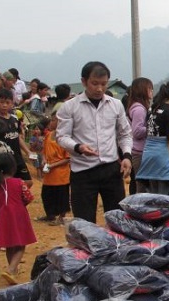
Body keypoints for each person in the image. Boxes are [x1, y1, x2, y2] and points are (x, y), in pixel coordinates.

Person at [56, 61, 132, 223]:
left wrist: (126, 156)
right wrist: (78, 147)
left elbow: (125, 134)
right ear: (84, 82)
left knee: (117, 219)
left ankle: (116, 248)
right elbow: (62, 136)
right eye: (94, 83)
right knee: (84, 222)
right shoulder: (70, 107)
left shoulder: (116, 105)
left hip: (111, 170)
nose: (99, 89)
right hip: (83, 172)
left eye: (104, 84)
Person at [0, 152, 37, 285]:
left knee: (9, 244)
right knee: (20, 245)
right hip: (18, 214)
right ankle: (12, 269)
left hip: (1, 216)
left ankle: (12, 268)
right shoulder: (19, 182)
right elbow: (28, 197)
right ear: (13, 168)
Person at [136, 81, 169, 196]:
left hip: (149, 155)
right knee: (165, 197)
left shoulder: (153, 108)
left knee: (153, 195)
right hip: (163, 157)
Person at [0, 88, 33, 188]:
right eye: (2, 102)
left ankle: (15, 201)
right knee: (4, 183)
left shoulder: (14, 119)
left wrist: (28, 152)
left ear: (12, 103)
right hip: (4, 159)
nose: (4, 105)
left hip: (17, 157)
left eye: (7, 102)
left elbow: (17, 137)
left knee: (28, 182)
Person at [39, 113, 71, 225]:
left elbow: (67, 158)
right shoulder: (49, 135)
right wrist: (43, 160)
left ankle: (61, 217)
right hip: (49, 172)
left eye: (53, 120)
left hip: (60, 173)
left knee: (61, 195)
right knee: (46, 194)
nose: (51, 123)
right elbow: (44, 151)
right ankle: (50, 215)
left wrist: (53, 165)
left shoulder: (64, 138)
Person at [126, 77, 154, 194]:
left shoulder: (137, 106)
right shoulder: (139, 109)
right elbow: (137, 131)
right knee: (142, 187)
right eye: (150, 89)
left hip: (139, 151)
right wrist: (152, 127)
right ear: (142, 90)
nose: (152, 92)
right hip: (139, 152)